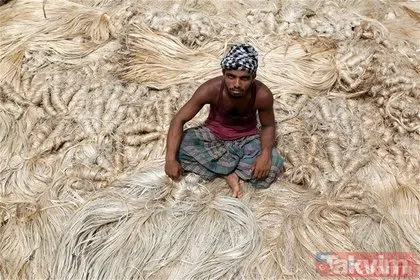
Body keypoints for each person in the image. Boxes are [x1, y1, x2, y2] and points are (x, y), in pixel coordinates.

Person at [165, 43, 283, 198]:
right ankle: (228, 174)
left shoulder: (262, 95)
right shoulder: (210, 89)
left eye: (244, 78)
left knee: (274, 165)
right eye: (231, 76)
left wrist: (265, 155)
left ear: (253, 77)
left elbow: (268, 125)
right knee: (181, 146)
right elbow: (179, 119)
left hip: (246, 140)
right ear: (223, 73)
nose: (236, 84)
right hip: (212, 135)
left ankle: (221, 169)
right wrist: (170, 159)